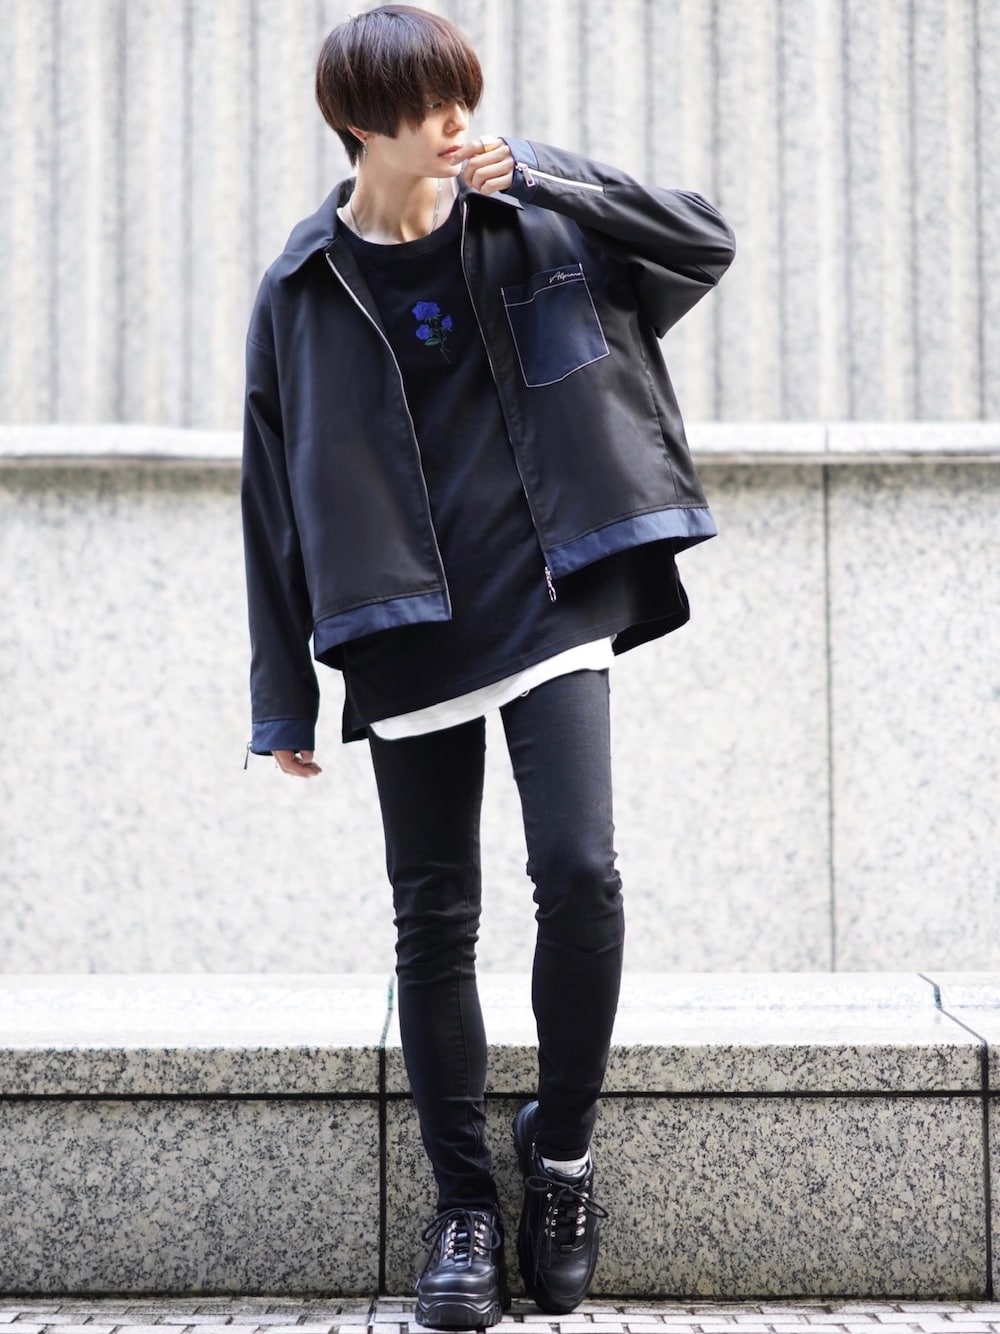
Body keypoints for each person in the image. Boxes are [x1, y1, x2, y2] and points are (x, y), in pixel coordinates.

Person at [242, 4, 734, 1327]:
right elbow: (269, 494)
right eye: (431, 101)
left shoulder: (536, 220)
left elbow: (704, 241)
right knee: (435, 914)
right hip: (402, 622)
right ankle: (463, 1206)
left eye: (465, 92)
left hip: (551, 590)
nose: (459, 118)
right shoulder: (302, 287)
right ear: (363, 123)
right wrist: (284, 694)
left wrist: (556, 172)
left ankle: (558, 1156)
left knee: (580, 871)